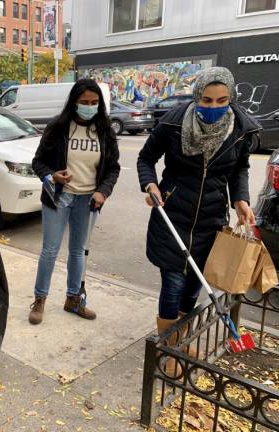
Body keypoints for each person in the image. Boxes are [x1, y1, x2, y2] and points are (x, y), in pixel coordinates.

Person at [137, 67, 259, 374]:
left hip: (211, 219)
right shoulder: (174, 124)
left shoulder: (240, 129)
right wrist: (150, 184)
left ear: (230, 99)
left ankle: (178, 338)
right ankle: (167, 346)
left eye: (222, 101)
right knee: (174, 282)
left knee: (193, 285)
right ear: (197, 96)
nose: (214, 107)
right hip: (173, 213)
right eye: (206, 100)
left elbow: (239, 169)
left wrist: (240, 200)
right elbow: (145, 159)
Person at [29, 78, 121, 325]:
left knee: (78, 252)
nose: (89, 106)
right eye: (84, 102)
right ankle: (40, 299)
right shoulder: (58, 127)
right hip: (60, 196)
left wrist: (103, 191)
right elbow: (38, 162)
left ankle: (73, 299)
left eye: (94, 102)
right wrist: (51, 176)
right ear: (74, 102)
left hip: (88, 199)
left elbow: (113, 168)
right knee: (50, 250)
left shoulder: (104, 131)